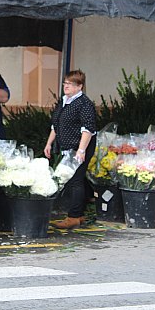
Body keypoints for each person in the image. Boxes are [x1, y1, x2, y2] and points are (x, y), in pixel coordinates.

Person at [44, 70, 97, 229]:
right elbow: (56, 124)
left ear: (79, 86)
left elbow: (87, 129)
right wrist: (49, 144)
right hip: (66, 146)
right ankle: (82, 210)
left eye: (70, 84)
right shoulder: (64, 101)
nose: (66, 86)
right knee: (76, 180)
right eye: (65, 83)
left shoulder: (84, 104)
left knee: (75, 180)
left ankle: (74, 216)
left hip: (79, 146)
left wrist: (81, 151)